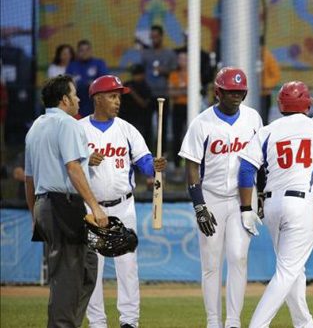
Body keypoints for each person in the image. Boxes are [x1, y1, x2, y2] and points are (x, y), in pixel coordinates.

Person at [238, 76, 313, 328]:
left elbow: (246, 169)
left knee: (292, 270)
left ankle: (304, 323)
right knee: (288, 271)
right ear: (307, 105)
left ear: (280, 105)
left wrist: (246, 208)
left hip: (272, 205)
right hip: (301, 204)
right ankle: (257, 325)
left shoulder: (267, 131)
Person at [178, 67, 262, 328]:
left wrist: (263, 198)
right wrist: (199, 204)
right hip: (212, 197)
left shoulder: (253, 118)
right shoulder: (201, 122)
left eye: (239, 91)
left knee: (238, 257)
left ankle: (233, 321)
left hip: (243, 199)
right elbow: (191, 165)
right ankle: (213, 321)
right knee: (211, 263)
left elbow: (262, 159)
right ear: (218, 92)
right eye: (230, 92)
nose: (235, 96)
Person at [80, 75, 167, 328]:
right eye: (112, 96)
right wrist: (86, 160)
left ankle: (129, 321)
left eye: (119, 96)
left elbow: (145, 163)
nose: (118, 101)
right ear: (97, 99)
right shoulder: (79, 129)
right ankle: (97, 322)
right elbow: (68, 166)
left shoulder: (127, 129)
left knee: (128, 266)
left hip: (123, 205)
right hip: (90, 207)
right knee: (92, 269)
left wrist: (155, 166)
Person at [24, 74, 108, 327]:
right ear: (64, 100)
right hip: (63, 204)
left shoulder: (36, 126)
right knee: (69, 277)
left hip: (44, 203)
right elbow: (73, 168)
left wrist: (34, 215)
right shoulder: (69, 124)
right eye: (74, 94)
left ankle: (67, 323)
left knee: (86, 269)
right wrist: (95, 206)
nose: (79, 98)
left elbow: (29, 179)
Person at [141, 25, 177, 153]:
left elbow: (175, 71)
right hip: (148, 94)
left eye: (156, 36)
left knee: (163, 125)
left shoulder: (170, 54)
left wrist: (165, 71)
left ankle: (163, 153)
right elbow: (141, 72)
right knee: (147, 125)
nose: (154, 39)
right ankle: (145, 153)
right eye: (152, 37)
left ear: (161, 37)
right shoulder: (146, 54)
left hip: (164, 94)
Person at [66, 39, 109, 117]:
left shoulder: (99, 63)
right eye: (82, 50)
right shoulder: (72, 66)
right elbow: (68, 83)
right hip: (78, 100)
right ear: (78, 52)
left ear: (91, 51)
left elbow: (104, 81)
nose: (85, 52)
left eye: (87, 50)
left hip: (95, 100)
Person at [119, 64, 153, 147]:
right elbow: (119, 98)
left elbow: (144, 104)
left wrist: (132, 92)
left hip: (140, 120)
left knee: (139, 143)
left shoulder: (146, 87)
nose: (135, 76)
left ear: (142, 75)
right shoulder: (127, 84)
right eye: (134, 74)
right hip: (126, 118)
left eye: (137, 74)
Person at [169, 50, 188, 167]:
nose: (182, 61)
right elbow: (171, 92)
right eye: (180, 59)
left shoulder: (193, 73)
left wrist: (179, 91)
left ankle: (189, 161)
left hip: (190, 107)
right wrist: (185, 90)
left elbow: (194, 91)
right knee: (177, 135)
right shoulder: (173, 75)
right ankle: (177, 163)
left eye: (184, 59)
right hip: (177, 107)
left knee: (190, 134)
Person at [259, 36, 281, 124]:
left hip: (264, 95)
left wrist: (265, 86)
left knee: (263, 120)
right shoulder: (249, 56)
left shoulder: (267, 56)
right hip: (251, 94)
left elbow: (276, 74)